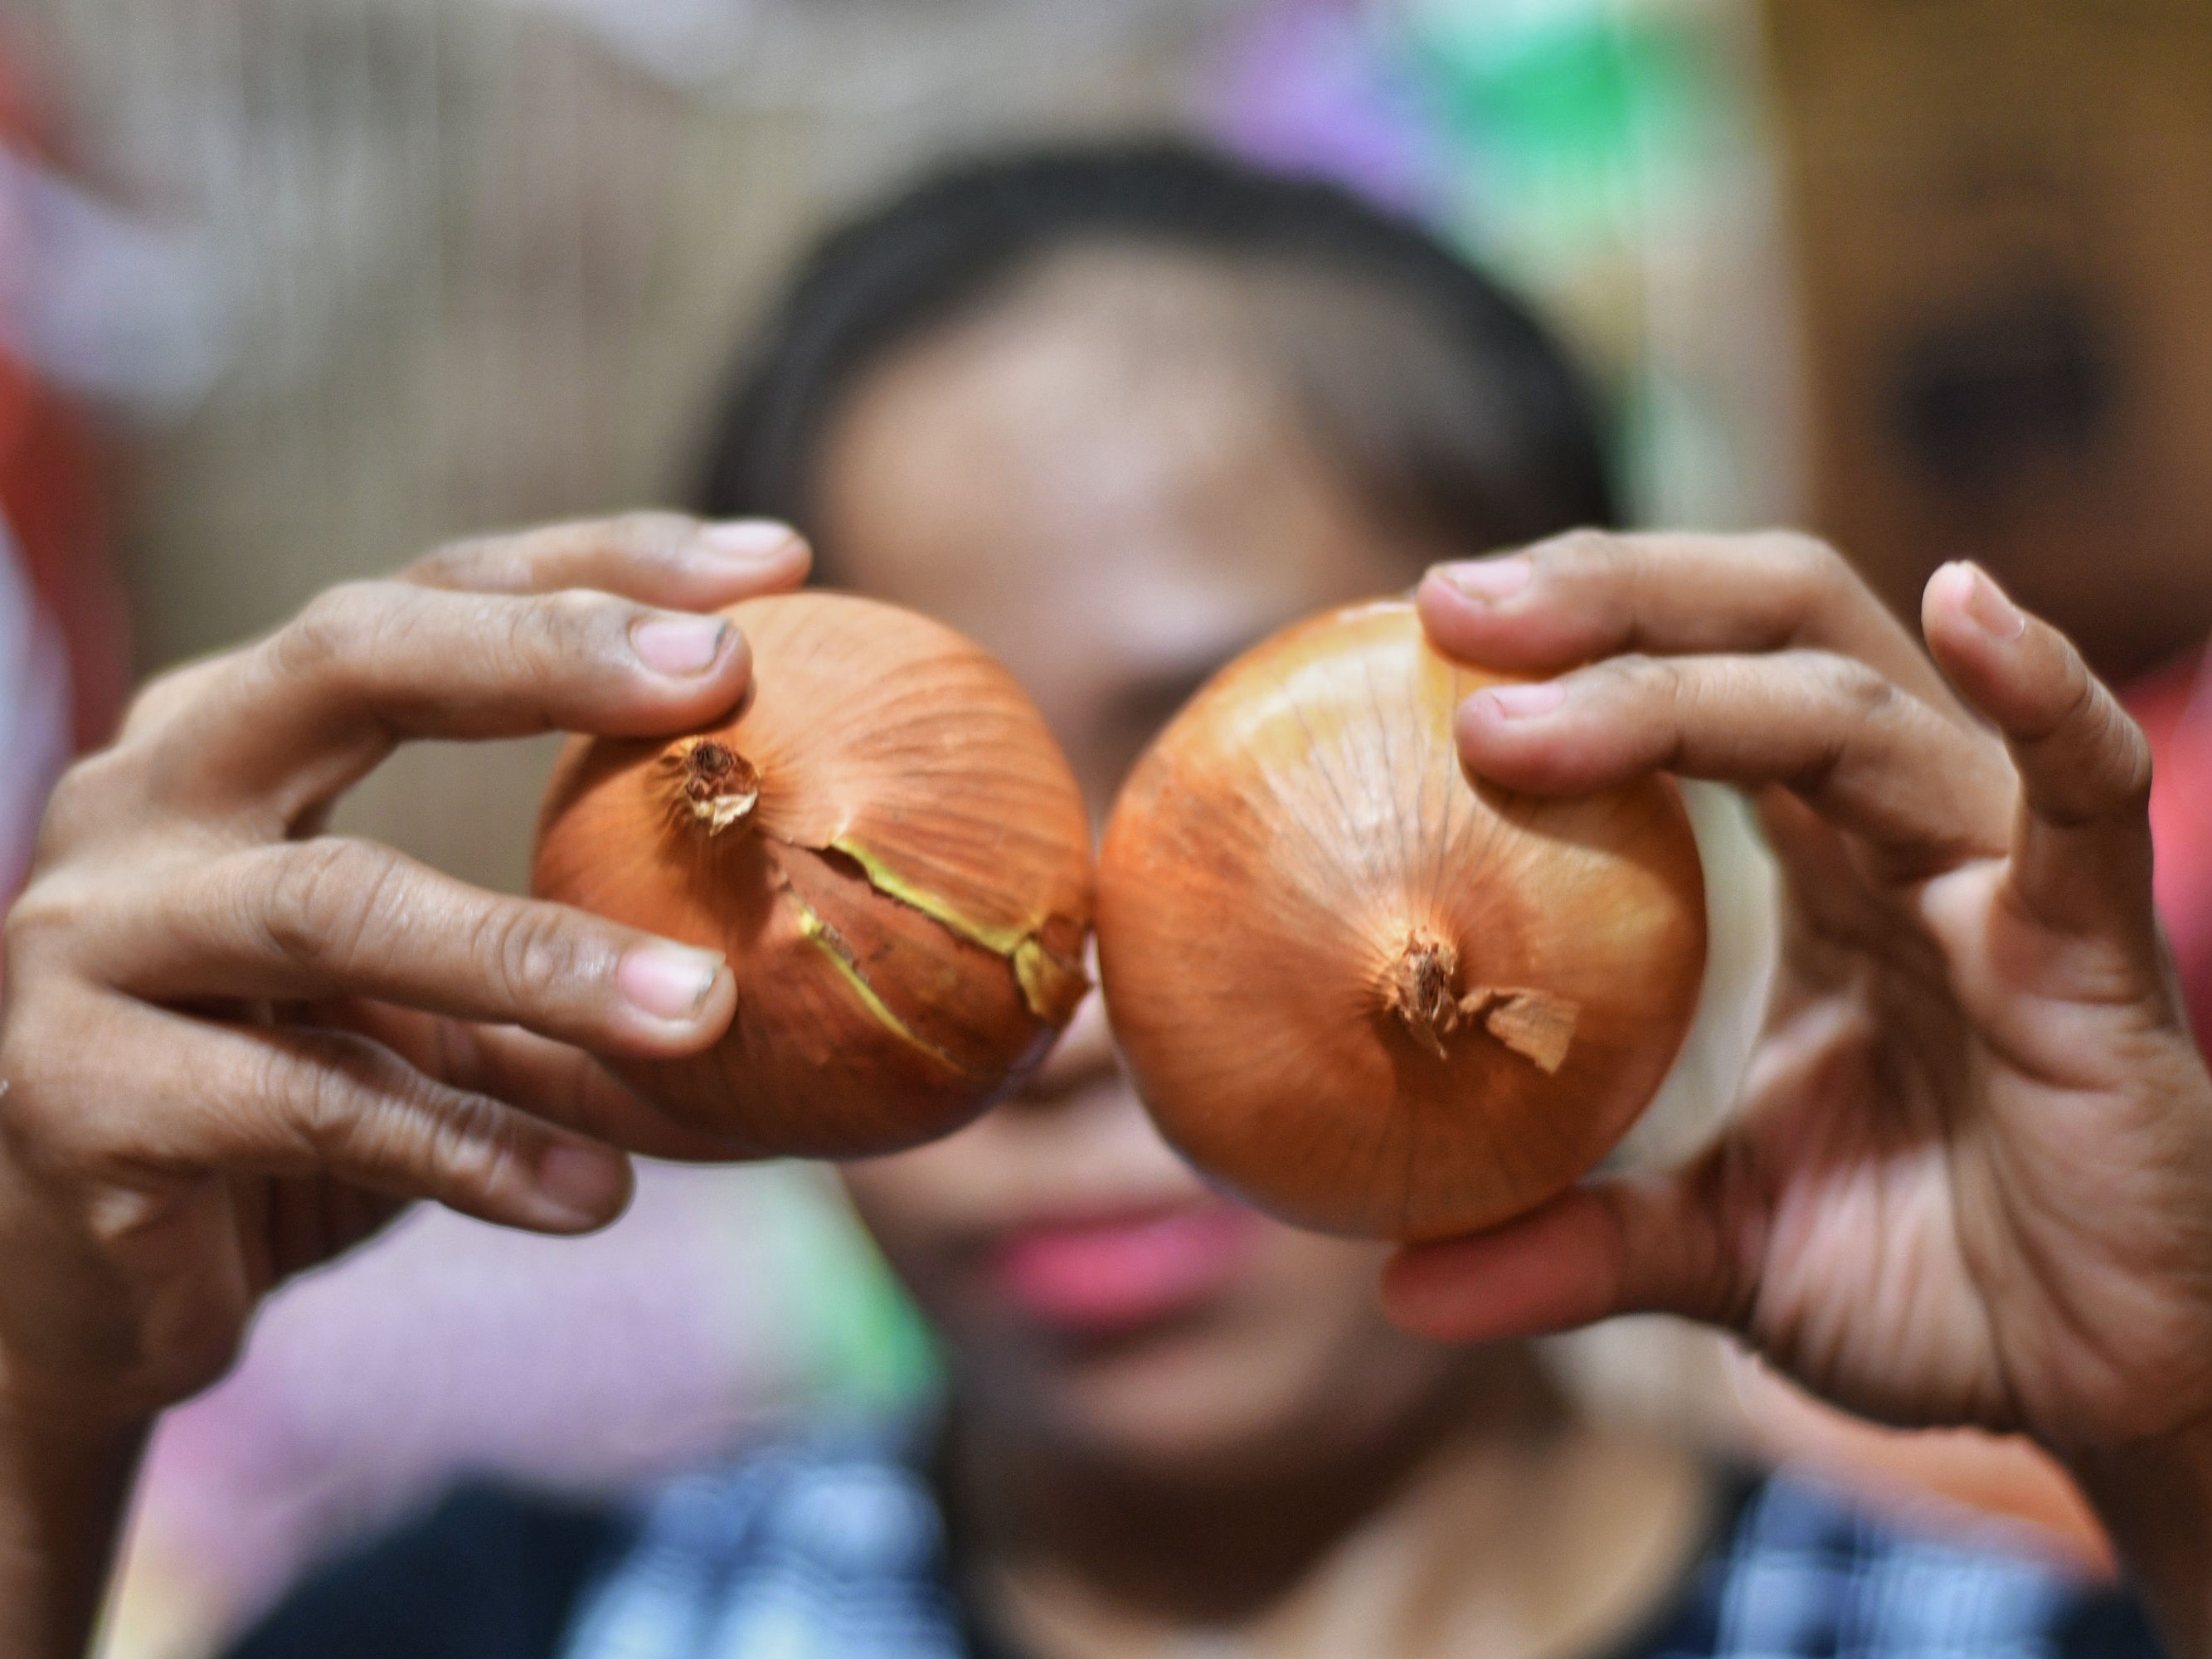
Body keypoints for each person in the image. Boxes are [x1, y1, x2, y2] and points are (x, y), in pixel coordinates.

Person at [0, 143, 2205, 1659]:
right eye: (927, 814)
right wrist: (32, 1422)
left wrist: (2170, 1426)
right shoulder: (476, 1631)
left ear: (1652, 769)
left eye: (1214, 788)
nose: (1047, 1008)